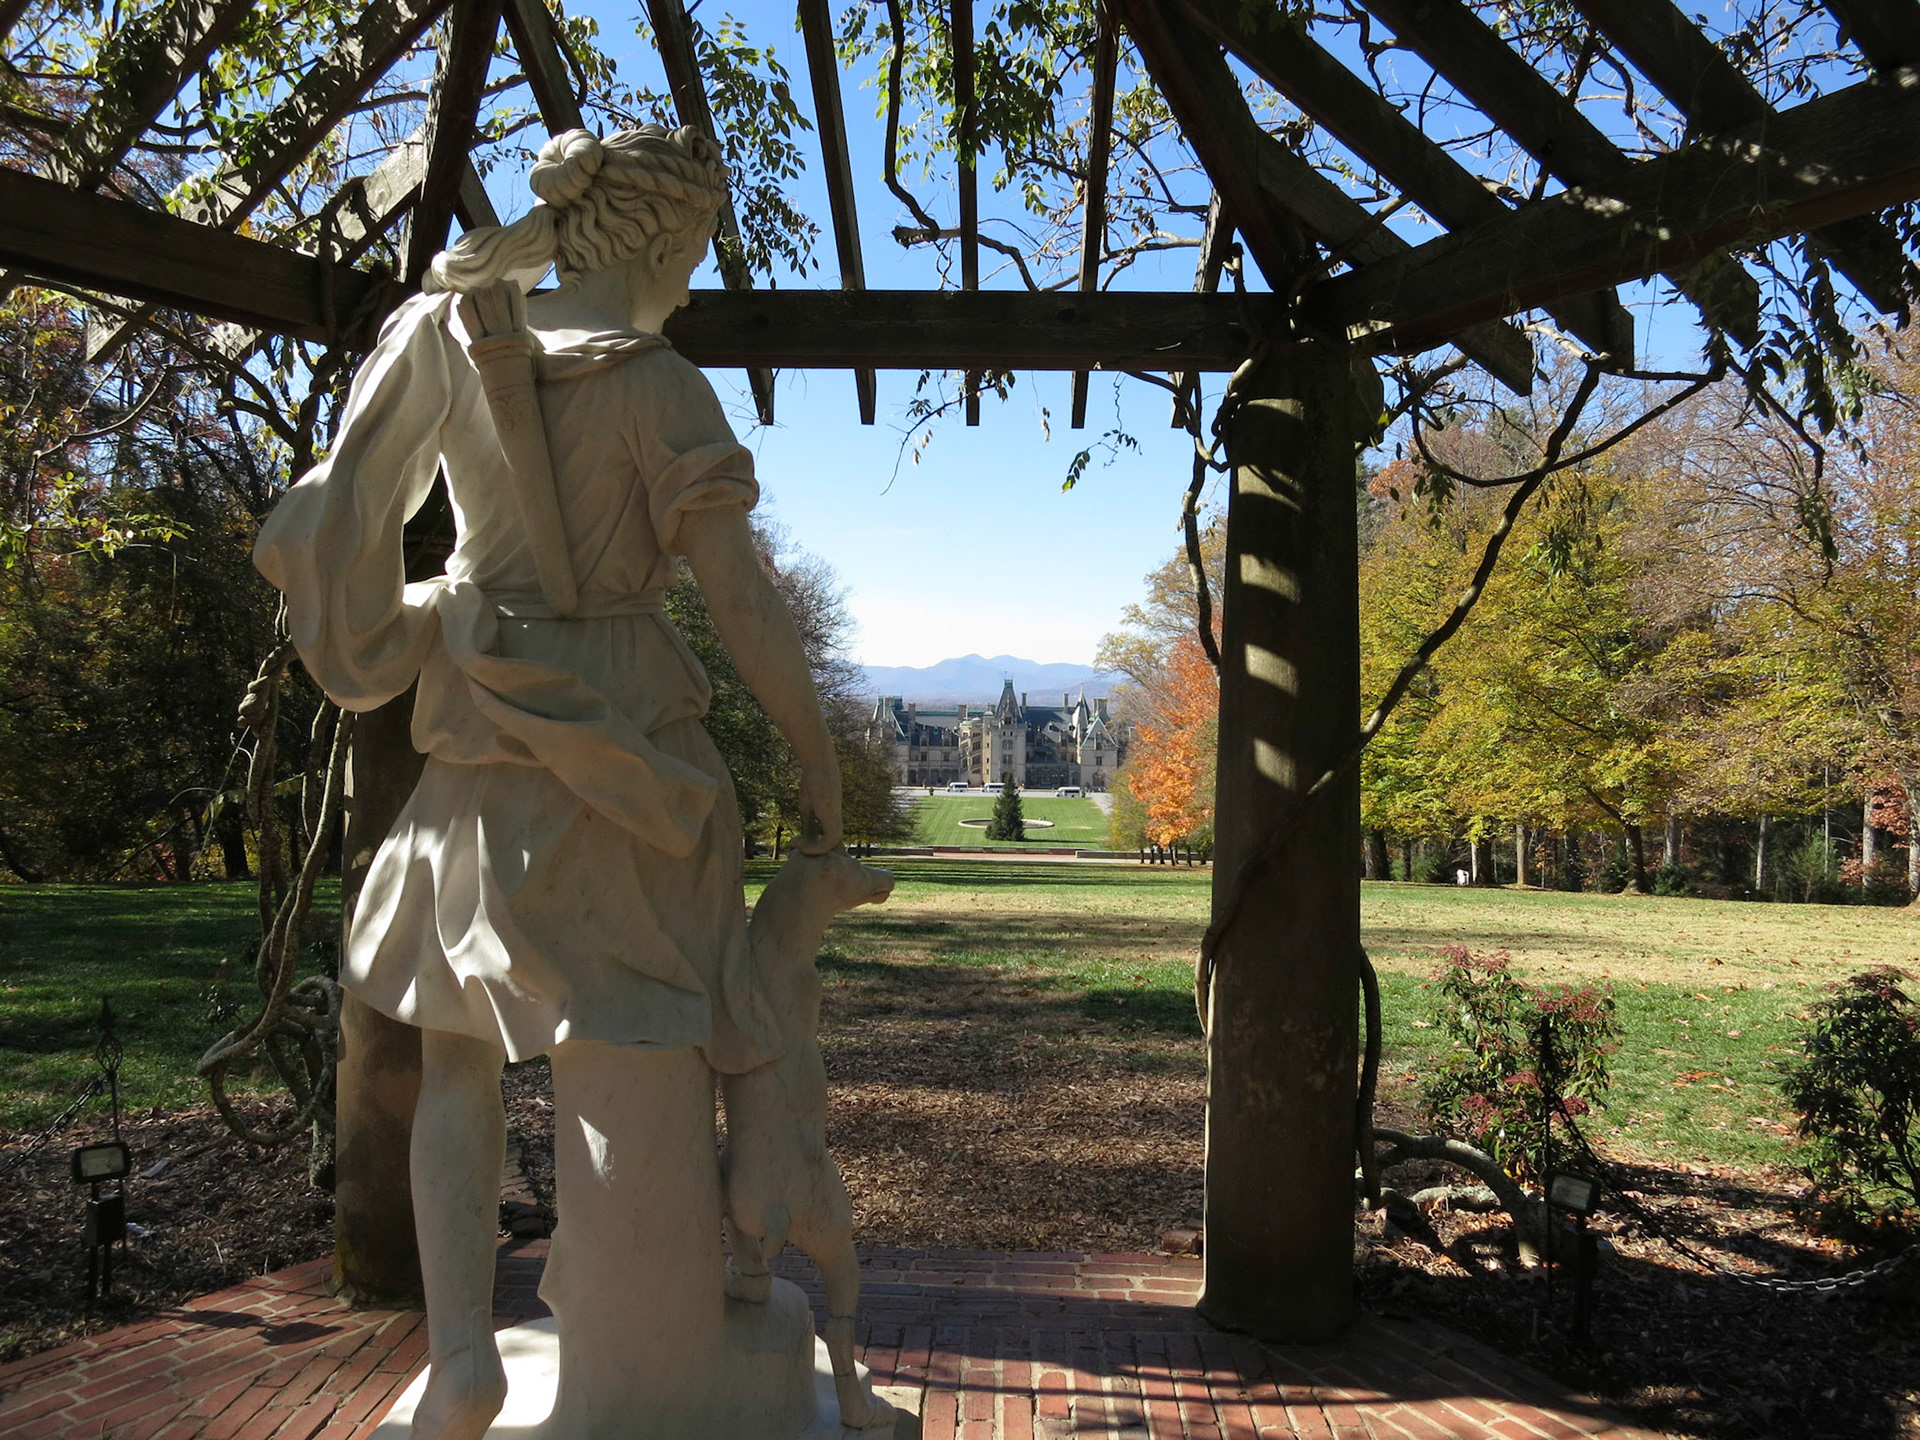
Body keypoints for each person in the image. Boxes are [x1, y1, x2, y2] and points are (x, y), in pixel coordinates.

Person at [255, 126, 842, 1440]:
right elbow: (742, 603)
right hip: (630, 737)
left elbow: (351, 512)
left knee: (458, 1052)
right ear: (647, 235)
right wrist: (817, 763)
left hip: (481, 725)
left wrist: (415, 612)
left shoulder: (448, 339)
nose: (692, 283)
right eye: (692, 250)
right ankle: (650, 1347)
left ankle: (465, 1354)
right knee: (646, 1039)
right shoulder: (659, 387)